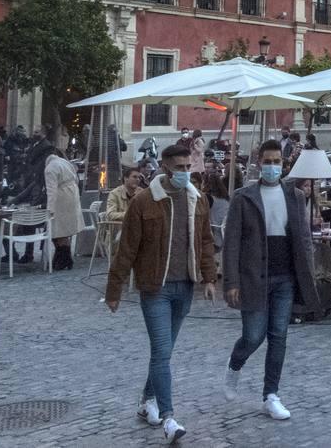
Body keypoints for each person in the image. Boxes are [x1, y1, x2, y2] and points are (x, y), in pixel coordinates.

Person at [105, 143, 218, 443]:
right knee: (161, 351)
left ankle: (146, 402)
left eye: (188, 167)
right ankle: (169, 418)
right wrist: (113, 289)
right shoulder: (144, 201)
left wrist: (209, 278)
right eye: (179, 168)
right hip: (155, 287)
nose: (185, 173)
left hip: (185, 286)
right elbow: (126, 248)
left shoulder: (198, 200)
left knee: (163, 352)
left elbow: (206, 241)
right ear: (166, 167)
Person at [222, 140, 318, 421]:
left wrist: (308, 274)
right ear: (259, 163)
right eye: (268, 161)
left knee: (279, 336)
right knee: (253, 336)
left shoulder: (296, 196)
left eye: (277, 161)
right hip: (254, 276)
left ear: (283, 164)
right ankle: (235, 363)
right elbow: (231, 244)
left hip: (285, 277)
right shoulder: (244, 197)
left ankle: (271, 394)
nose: (272, 166)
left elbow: (302, 238)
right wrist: (231, 282)